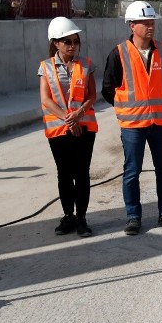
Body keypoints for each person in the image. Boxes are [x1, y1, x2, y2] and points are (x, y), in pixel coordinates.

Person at [102, 1, 162, 235]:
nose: (150, 26)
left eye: (152, 21)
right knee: (132, 172)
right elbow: (108, 89)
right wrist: (128, 108)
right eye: (145, 22)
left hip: (160, 123)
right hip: (133, 125)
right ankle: (133, 217)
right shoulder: (118, 53)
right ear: (131, 25)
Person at [39, 17, 97, 237]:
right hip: (59, 130)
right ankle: (68, 217)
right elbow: (46, 99)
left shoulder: (87, 64)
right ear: (56, 43)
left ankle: (81, 219)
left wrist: (79, 114)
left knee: (82, 173)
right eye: (67, 41)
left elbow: (92, 95)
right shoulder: (45, 67)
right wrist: (68, 119)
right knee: (64, 174)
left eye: (75, 41)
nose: (73, 45)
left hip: (84, 129)